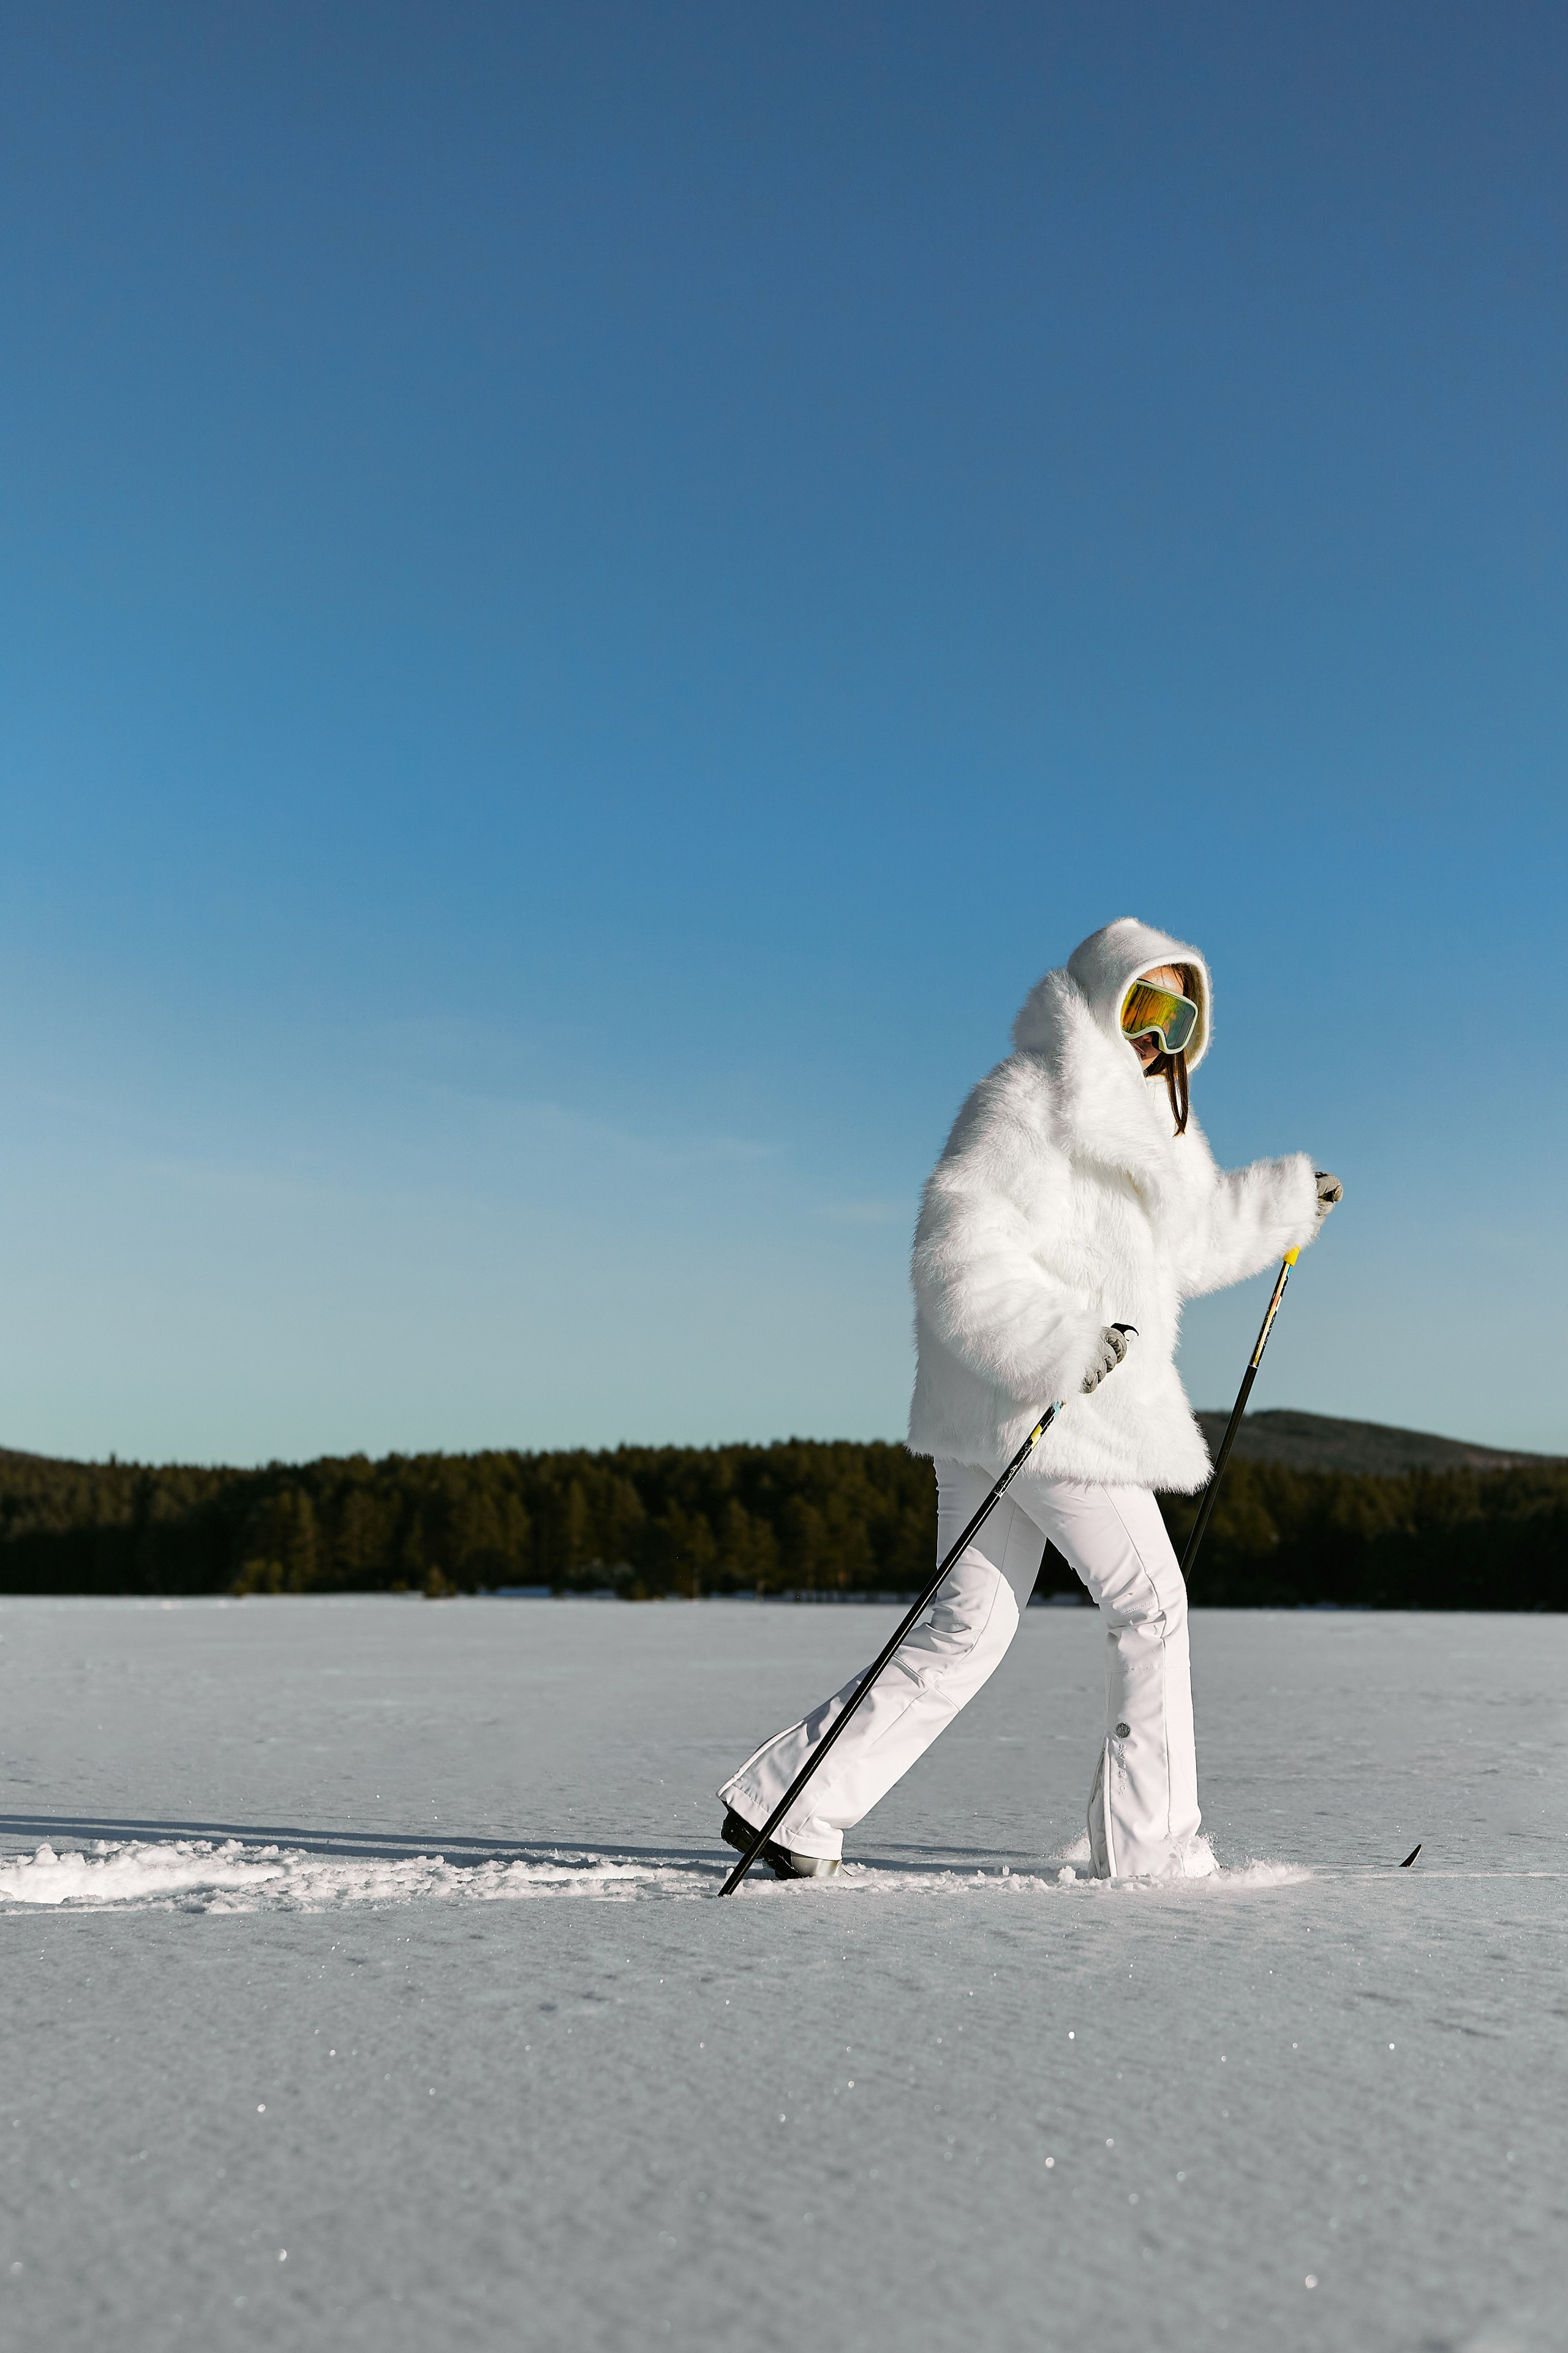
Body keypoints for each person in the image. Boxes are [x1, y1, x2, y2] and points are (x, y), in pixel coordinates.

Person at [718, 916, 1341, 1881]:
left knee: (971, 1624)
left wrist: (1286, 1205)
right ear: (1101, 995)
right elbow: (958, 1247)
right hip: (1043, 1404)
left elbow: (1196, 1238)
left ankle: (790, 1806)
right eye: (1146, 1005)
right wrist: (1058, 1343)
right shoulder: (1028, 1100)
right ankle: (1150, 1846)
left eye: (1181, 1022)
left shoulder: (1154, 1130)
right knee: (1152, 1602)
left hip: (1013, 1413)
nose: (1159, 1036)